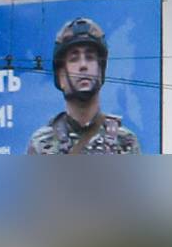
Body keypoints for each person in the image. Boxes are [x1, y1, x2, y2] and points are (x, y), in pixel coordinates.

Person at [29, 16, 141, 153]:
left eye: (90, 57)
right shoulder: (42, 144)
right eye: (74, 59)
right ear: (61, 77)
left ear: (101, 72)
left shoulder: (124, 141)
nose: (83, 66)